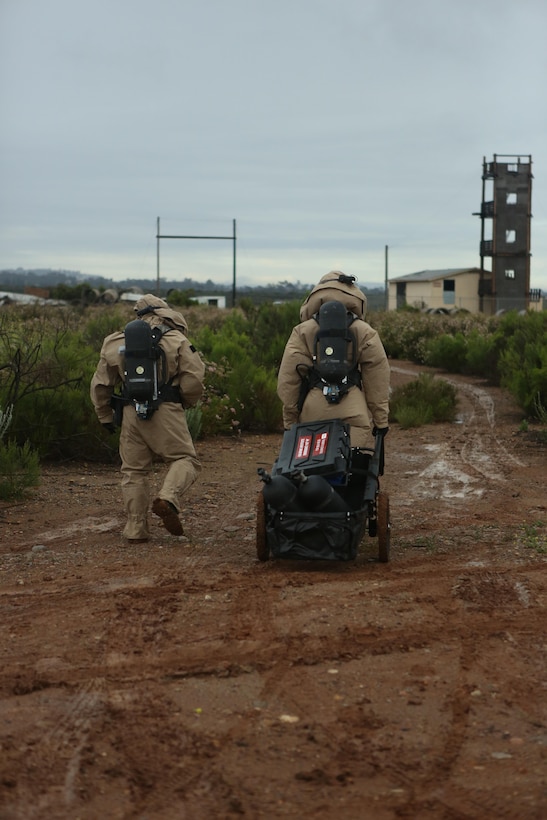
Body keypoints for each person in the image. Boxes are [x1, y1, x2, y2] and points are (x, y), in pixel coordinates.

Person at [90, 294, 205, 542]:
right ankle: (168, 497)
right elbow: (194, 378)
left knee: (133, 471)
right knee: (185, 459)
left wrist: (105, 415)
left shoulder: (115, 341)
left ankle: (136, 528)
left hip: (131, 412)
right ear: (164, 311)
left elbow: (101, 384)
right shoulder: (176, 339)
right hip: (166, 409)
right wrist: (185, 401)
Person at [277, 271, 390, 448]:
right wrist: (381, 421)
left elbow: (289, 380)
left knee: (311, 463)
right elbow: (377, 379)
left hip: (313, 409)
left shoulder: (302, 331)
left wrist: (289, 422)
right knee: (353, 462)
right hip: (353, 408)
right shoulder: (364, 331)